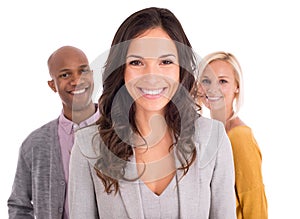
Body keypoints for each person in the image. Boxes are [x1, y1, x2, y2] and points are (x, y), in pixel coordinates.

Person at [68, 7, 236, 218]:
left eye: (165, 62)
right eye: (137, 62)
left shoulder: (214, 138)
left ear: (180, 68)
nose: (151, 76)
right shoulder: (88, 146)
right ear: (121, 70)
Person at [8, 45, 99, 219]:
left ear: (92, 75)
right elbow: (19, 204)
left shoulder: (120, 133)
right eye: (65, 75)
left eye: (83, 71)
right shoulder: (35, 144)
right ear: (52, 85)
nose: (77, 80)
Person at [197, 51, 268, 219]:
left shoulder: (239, 136)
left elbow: (254, 201)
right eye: (207, 80)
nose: (213, 88)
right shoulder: (209, 133)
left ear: (237, 86)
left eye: (222, 81)